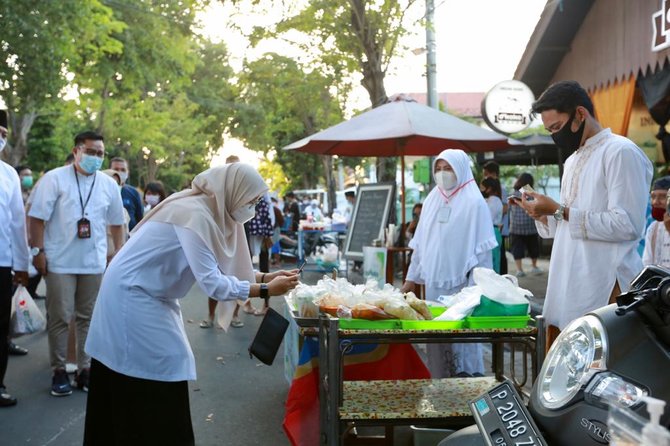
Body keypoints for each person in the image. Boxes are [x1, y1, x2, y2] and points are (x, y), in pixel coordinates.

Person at [83, 164, 299, 445]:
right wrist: (267, 289)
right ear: (233, 191)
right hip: (132, 296)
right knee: (163, 365)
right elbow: (213, 283)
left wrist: (267, 276)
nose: (254, 208)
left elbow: (221, 269)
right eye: (251, 200)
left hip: (149, 294)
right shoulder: (194, 215)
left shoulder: (206, 211)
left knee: (155, 367)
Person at [519, 80, 652, 349]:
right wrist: (542, 215)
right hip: (568, 277)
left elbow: (627, 225)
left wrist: (558, 210)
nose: (556, 136)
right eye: (550, 130)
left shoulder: (620, 152)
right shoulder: (572, 160)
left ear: (580, 114)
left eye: (557, 127)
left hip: (605, 284)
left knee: (602, 369)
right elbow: (567, 223)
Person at [28, 131, 126, 397]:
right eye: (91, 151)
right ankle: (59, 370)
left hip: (93, 263)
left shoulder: (108, 185)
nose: (95, 157)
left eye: (100, 153)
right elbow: (36, 218)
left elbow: (117, 223)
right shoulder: (54, 178)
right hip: (59, 261)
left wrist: (116, 254)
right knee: (60, 317)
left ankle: (85, 369)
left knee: (88, 319)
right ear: (76, 151)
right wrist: (38, 251)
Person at [401, 149, 496, 377]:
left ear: (461, 170)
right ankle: (440, 386)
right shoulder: (433, 199)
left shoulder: (474, 203)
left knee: (462, 344)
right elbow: (421, 245)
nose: (442, 174)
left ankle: (467, 388)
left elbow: (482, 253)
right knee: (438, 342)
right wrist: (409, 281)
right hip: (434, 287)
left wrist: (475, 294)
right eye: (438, 169)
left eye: (448, 168)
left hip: (463, 289)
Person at [0, 119, 30, 407]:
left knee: (0, 329)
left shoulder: (8, 174)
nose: (1, 138)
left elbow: (18, 223)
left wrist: (22, 264)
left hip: (2, 262)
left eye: (4, 135)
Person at [508, 173, 542, 277]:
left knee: (517, 248)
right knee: (533, 247)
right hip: (531, 226)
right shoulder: (531, 193)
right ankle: (534, 267)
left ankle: (519, 269)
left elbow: (509, 210)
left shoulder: (513, 193)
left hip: (516, 226)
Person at [483, 161, 509, 274]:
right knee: (496, 258)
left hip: (497, 228)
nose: (485, 176)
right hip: (497, 227)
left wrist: (497, 221)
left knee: (498, 258)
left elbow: (505, 208)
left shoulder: (499, 191)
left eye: (486, 174)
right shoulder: (492, 197)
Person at [110, 157, 143, 231]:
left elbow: (140, 219)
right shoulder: (102, 190)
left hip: (130, 237)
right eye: (116, 169)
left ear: (128, 172)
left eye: (123, 170)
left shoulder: (133, 192)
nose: (119, 172)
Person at [480, 177, 503, 274]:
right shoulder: (490, 200)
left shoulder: (494, 200)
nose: (481, 190)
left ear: (489, 188)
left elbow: (487, 218)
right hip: (492, 231)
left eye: (482, 187)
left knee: (492, 263)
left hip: (491, 231)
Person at [643, 187, 670, 268]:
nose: (656, 202)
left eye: (662, 196)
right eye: (653, 196)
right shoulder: (653, 228)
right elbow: (647, 263)